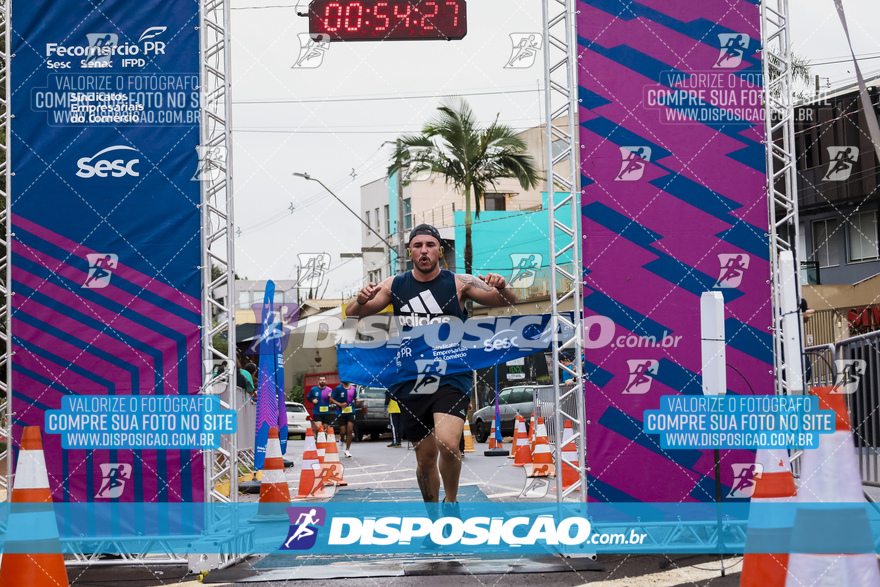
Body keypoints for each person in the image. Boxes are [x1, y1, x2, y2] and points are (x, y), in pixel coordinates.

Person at [345, 224, 516, 505]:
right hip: (413, 377)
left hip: (452, 372)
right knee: (425, 459)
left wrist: (503, 285)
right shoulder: (394, 285)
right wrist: (359, 299)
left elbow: (508, 301)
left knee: (448, 445)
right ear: (410, 252)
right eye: (417, 245)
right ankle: (433, 515)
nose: (424, 250)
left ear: (439, 250)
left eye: (430, 245)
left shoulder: (460, 282)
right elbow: (354, 313)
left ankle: (451, 502)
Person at [330, 381, 358, 457]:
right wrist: (340, 404)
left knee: (350, 430)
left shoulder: (353, 388)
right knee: (343, 431)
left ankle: (347, 450)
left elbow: (355, 398)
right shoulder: (338, 388)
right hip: (340, 412)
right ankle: (341, 439)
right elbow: (331, 399)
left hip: (351, 412)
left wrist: (357, 401)